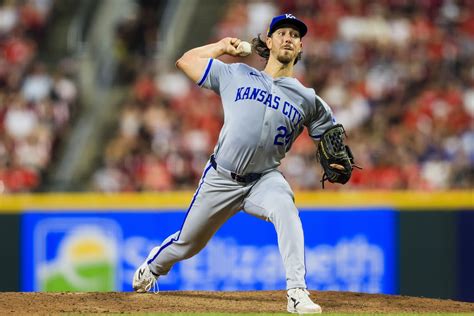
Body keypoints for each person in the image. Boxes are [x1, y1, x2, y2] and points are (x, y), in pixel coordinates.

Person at [133, 13, 353, 314]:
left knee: (287, 211)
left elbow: (331, 134)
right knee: (188, 244)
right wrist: (221, 46)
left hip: (264, 179)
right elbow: (185, 61)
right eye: (281, 32)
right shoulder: (236, 74)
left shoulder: (308, 98)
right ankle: (152, 268)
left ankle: (297, 292)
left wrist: (337, 156)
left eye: (294, 35)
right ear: (269, 41)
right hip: (221, 177)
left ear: (300, 47)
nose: (288, 37)